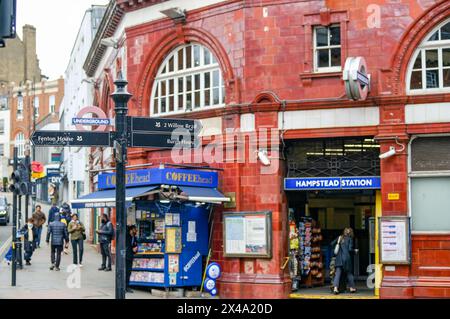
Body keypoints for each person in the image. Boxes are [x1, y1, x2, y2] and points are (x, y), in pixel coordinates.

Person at [330, 227, 357, 294]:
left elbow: (331, 244)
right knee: (349, 273)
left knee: (338, 274)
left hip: (339, 258)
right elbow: (350, 249)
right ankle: (352, 288)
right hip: (346, 258)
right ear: (350, 233)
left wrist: (337, 247)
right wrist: (355, 251)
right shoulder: (350, 239)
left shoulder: (340, 237)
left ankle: (335, 288)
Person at [125, 225, 138, 293]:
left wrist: (135, 249)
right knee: (124, 272)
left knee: (128, 272)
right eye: (135, 229)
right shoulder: (126, 236)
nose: (136, 231)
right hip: (125, 256)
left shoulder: (134, 238)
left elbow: (135, 247)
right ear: (131, 230)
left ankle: (127, 286)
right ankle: (123, 287)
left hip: (130, 257)